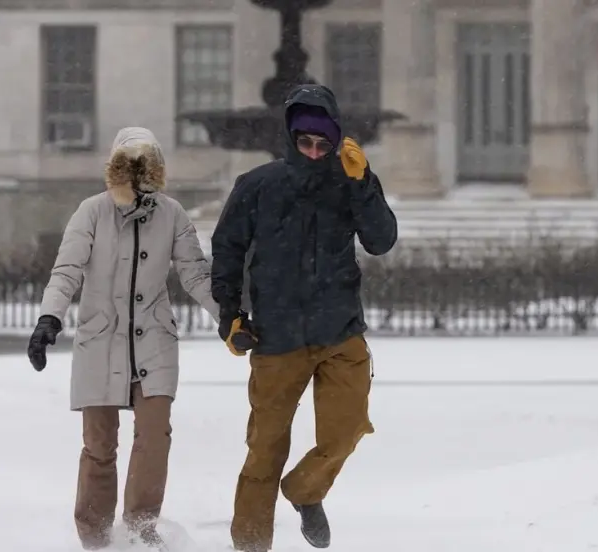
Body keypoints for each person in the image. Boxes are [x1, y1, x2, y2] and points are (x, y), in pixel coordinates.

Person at [210, 84, 398, 552]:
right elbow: (227, 250)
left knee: (347, 429)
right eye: (305, 142)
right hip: (276, 337)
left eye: (322, 143)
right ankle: (250, 545)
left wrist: (364, 184)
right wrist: (230, 316)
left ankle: (305, 490)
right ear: (291, 139)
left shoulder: (350, 182)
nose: (314, 152)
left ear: (335, 140)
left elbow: (381, 241)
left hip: (340, 332)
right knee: (265, 451)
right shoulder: (258, 185)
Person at [27, 127, 220, 551]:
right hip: (100, 340)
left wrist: (229, 319)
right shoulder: (91, 212)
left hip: (154, 339)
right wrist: (49, 317)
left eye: (145, 163)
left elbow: (195, 274)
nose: (137, 171)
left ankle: (140, 531)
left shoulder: (172, 214)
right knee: (99, 444)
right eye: (129, 163)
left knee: (154, 437)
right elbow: (67, 270)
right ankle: (95, 539)